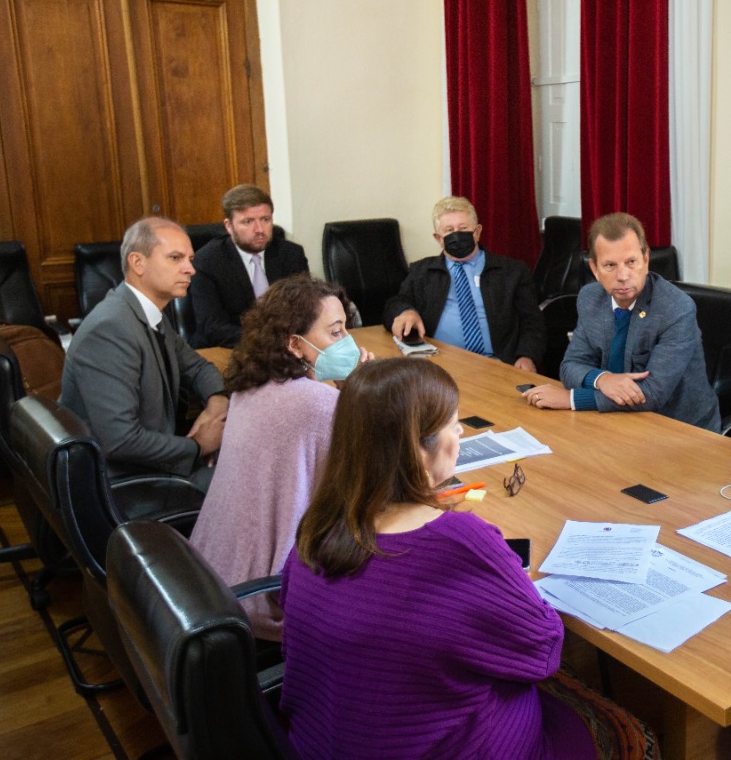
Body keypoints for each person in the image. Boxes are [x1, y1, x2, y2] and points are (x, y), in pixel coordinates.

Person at [279, 359, 655, 759]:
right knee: (627, 730)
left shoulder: (317, 525)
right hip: (450, 748)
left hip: (320, 742)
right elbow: (543, 652)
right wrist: (496, 567)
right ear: (418, 449)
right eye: (453, 425)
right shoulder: (461, 542)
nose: (460, 434)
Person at [189, 274, 372, 641]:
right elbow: (373, 482)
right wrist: (359, 393)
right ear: (295, 344)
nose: (349, 342)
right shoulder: (317, 404)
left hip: (209, 577)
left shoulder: (250, 386)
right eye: (336, 333)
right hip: (262, 599)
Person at [60, 217, 228, 490]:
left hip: (155, 458)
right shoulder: (110, 329)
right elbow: (120, 441)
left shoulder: (149, 314)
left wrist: (217, 403)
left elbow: (198, 367)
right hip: (127, 480)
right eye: (175, 258)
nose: (190, 269)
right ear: (138, 262)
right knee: (256, 485)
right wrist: (197, 446)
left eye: (190, 258)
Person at [522, 213, 720, 431]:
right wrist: (603, 379)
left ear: (645, 261)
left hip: (679, 428)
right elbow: (570, 366)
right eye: (610, 265)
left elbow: (652, 394)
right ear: (595, 270)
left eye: (631, 262)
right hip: (614, 420)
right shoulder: (590, 299)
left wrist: (571, 399)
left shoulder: (676, 309)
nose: (623, 275)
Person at [383, 196, 544, 372]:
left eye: (463, 228)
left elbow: (533, 322)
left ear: (477, 231)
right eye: (449, 230)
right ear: (438, 238)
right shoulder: (422, 271)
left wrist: (527, 356)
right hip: (440, 364)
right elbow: (395, 302)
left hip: (497, 363)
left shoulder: (511, 272)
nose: (457, 235)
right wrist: (405, 311)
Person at [187, 184, 310, 348]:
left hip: (286, 348)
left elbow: (305, 309)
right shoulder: (206, 262)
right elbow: (212, 327)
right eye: (248, 221)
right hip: (231, 348)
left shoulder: (291, 254)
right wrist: (268, 342)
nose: (259, 230)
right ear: (229, 226)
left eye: (265, 220)